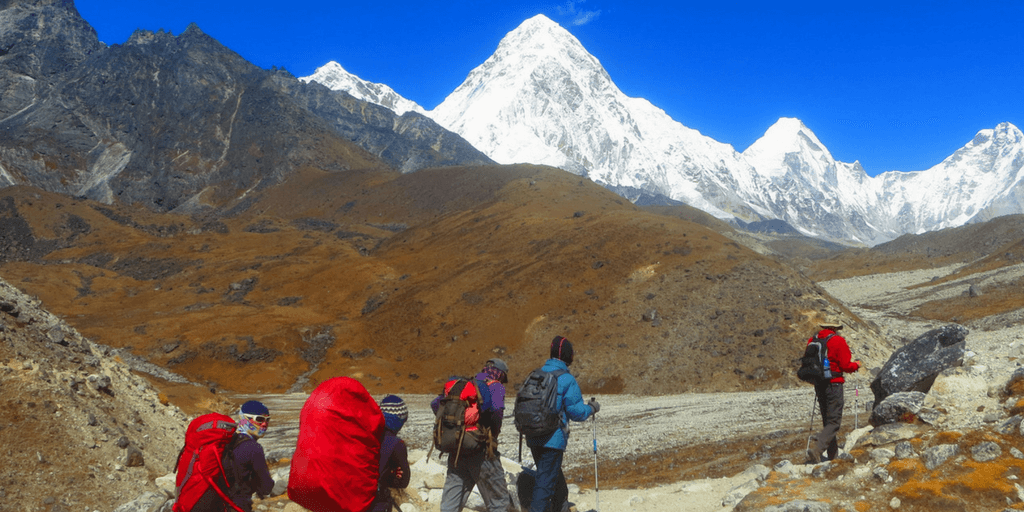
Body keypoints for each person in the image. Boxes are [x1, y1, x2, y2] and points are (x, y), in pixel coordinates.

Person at [526, 336, 599, 512]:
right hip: (553, 438)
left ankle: (562, 508)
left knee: (551, 476)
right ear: (568, 356)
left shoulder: (535, 375)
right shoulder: (566, 379)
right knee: (544, 483)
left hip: (532, 434)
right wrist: (592, 408)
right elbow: (577, 413)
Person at [432, 358, 513, 512]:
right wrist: (491, 435)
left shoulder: (465, 384)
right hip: (481, 451)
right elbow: (496, 413)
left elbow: (435, 405)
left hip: (456, 446)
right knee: (499, 501)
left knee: (451, 502)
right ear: (501, 374)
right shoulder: (495, 387)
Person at [806, 319, 861, 464]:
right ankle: (817, 450)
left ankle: (833, 455)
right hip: (834, 384)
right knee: (834, 421)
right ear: (835, 328)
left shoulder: (813, 340)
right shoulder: (838, 341)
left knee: (827, 420)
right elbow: (845, 365)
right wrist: (856, 365)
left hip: (819, 384)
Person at [227, 400, 275, 511]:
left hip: (221, 504)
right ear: (244, 419)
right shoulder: (254, 448)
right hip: (238, 506)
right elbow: (266, 488)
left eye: (268, 420)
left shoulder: (229, 439)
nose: (264, 424)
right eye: (259, 419)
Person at [373, 395, 412, 511]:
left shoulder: (366, 435)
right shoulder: (396, 444)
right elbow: (403, 481)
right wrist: (389, 474)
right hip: (376, 502)